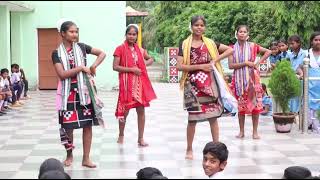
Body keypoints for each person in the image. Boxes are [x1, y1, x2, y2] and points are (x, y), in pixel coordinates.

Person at [176, 15, 234, 160]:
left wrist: (215, 60)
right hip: (192, 86)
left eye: (202, 25)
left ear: (205, 27)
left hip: (210, 85)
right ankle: (189, 149)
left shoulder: (210, 43)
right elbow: (179, 66)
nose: (199, 28)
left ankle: (216, 149)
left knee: (213, 117)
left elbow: (230, 50)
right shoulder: (184, 44)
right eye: (196, 25)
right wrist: (200, 66)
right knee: (192, 119)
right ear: (191, 26)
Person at [51, 19, 106, 168]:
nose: (75, 34)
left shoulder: (82, 47)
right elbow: (62, 74)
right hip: (68, 94)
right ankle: (69, 156)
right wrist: (81, 68)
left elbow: (102, 53)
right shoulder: (56, 53)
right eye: (71, 31)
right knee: (68, 126)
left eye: (76, 31)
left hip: (84, 93)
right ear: (63, 33)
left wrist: (93, 66)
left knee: (87, 125)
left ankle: (86, 158)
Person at [113, 24, 157, 147]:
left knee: (141, 111)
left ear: (137, 36)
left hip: (139, 85)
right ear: (126, 35)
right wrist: (132, 70)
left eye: (134, 34)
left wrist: (143, 65)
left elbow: (151, 59)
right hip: (127, 85)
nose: (132, 36)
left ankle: (141, 138)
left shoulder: (140, 50)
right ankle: (121, 134)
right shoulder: (119, 49)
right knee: (124, 111)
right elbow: (115, 67)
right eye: (129, 34)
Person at [228, 25, 271, 139]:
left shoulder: (253, 46)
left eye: (244, 32)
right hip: (239, 80)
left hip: (253, 80)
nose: (242, 33)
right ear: (236, 34)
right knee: (241, 107)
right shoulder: (231, 48)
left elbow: (268, 52)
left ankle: (255, 132)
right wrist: (245, 63)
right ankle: (241, 132)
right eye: (240, 31)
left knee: (255, 106)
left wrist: (258, 63)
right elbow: (231, 65)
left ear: (248, 35)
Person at [286, 35, 306, 113]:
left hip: (301, 80)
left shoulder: (304, 54)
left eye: (293, 43)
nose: (291, 46)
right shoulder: (289, 55)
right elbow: (287, 66)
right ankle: (293, 113)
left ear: (299, 43)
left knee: (301, 98)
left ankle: (299, 114)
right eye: (290, 44)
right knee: (291, 98)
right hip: (292, 79)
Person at [305, 32, 320, 132]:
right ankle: (310, 124)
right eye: (316, 40)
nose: (318, 42)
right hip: (310, 85)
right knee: (310, 106)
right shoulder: (307, 53)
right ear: (311, 41)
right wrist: (301, 73)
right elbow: (300, 67)